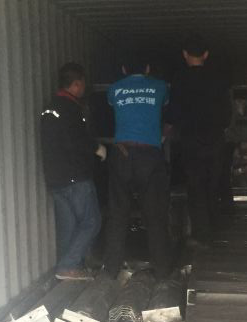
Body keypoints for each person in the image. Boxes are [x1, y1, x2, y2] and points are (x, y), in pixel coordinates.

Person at [103, 55, 172, 280]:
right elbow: (167, 110)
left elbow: (113, 107)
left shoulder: (114, 89)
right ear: (148, 67)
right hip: (150, 155)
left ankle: (111, 270)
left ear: (124, 68)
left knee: (117, 213)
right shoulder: (160, 87)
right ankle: (162, 271)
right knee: (155, 215)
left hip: (122, 153)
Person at [41, 62, 106, 280]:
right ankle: (69, 265)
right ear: (76, 84)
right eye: (83, 84)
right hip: (75, 176)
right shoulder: (71, 109)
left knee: (68, 226)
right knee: (92, 221)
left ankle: (68, 268)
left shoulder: (50, 108)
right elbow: (76, 140)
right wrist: (97, 148)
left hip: (55, 177)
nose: (84, 88)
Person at [168, 36, 231, 246]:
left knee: (195, 187)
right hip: (215, 139)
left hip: (190, 140)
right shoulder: (219, 79)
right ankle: (215, 229)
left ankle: (201, 235)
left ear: (185, 54)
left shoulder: (179, 80)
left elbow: (173, 113)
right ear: (206, 55)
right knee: (213, 185)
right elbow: (227, 114)